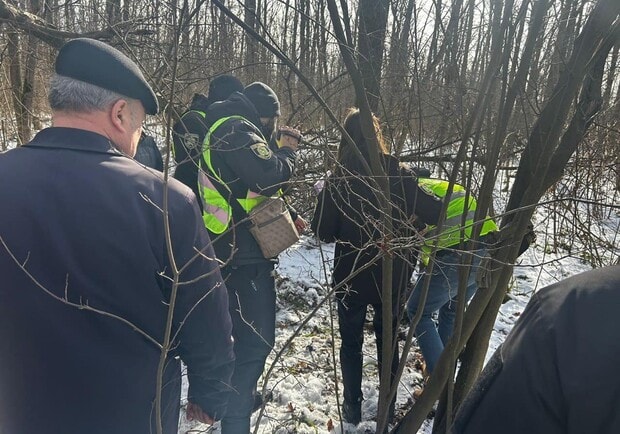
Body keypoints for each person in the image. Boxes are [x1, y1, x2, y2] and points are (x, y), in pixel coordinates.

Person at [0, 38, 235, 434]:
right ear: (120, 113)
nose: (138, 138)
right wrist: (211, 393)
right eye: (141, 126)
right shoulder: (166, 201)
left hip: (19, 409)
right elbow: (204, 316)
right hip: (131, 414)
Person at [310, 109, 443, 425]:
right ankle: (387, 405)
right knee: (388, 341)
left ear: (346, 140)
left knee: (351, 343)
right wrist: (412, 223)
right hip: (392, 275)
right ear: (378, 137)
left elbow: (322, 231)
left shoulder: (339, 180)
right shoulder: (399, 173)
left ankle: (352, 407)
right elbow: (436, 211)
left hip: (351, 275)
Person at [197, 81, 302, 434]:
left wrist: (287, 213)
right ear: (266, 116)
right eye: (274, 121)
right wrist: (289, 152)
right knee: (255, 345)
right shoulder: (235, 127)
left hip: (231, 249)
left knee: (243, 344)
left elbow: (245, 188)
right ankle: (235, 424)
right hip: (239, 256)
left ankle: (231, 414)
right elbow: (268, 176)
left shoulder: (229, 125)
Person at [450, 265, 620, 434]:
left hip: (456, 260)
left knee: (438, 312)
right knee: (448, 311)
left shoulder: (570, 308)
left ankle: (441, 377)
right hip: (469, 261)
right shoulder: (570, 310)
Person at [406, 176, 498, 375]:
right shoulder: (432, 185)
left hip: (457, 254)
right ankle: (442, 381)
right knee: (451, 310)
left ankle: (439, 382)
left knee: (417, 311)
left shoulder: (409, 189)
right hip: (488, 252)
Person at [173, 75, 244, 207]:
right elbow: (190, 169)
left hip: (210, 204)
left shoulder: (217, 121)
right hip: (191, 202)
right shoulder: (194, 121)